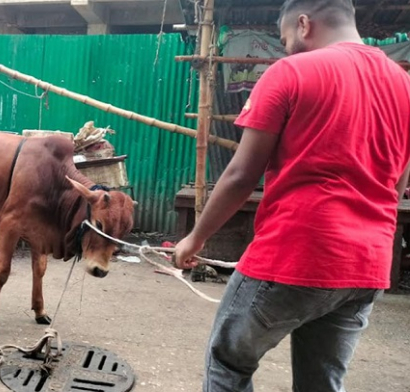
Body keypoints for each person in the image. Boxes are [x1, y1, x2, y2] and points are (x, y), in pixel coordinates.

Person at [172, 1, 410, 391]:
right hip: (366, 267)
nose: (286, 49)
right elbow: (395, 187)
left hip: (296, 253)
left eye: (285, 39)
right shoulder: (404, 85)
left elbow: (240, 175)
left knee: (227, 364)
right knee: (322, 381)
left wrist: (195, 238)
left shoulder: (291, 72)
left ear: (303, 24)